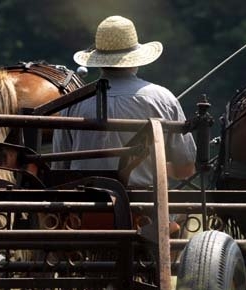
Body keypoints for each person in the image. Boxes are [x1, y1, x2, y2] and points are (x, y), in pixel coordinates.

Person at [52, 15, 197, 188]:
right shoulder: (163, 99)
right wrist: (159, 168)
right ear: (136, 58)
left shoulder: (73, 103)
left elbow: (60, 168)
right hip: (144, 209)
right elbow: (186, 169)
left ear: (98, 61)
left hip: (84, 208)